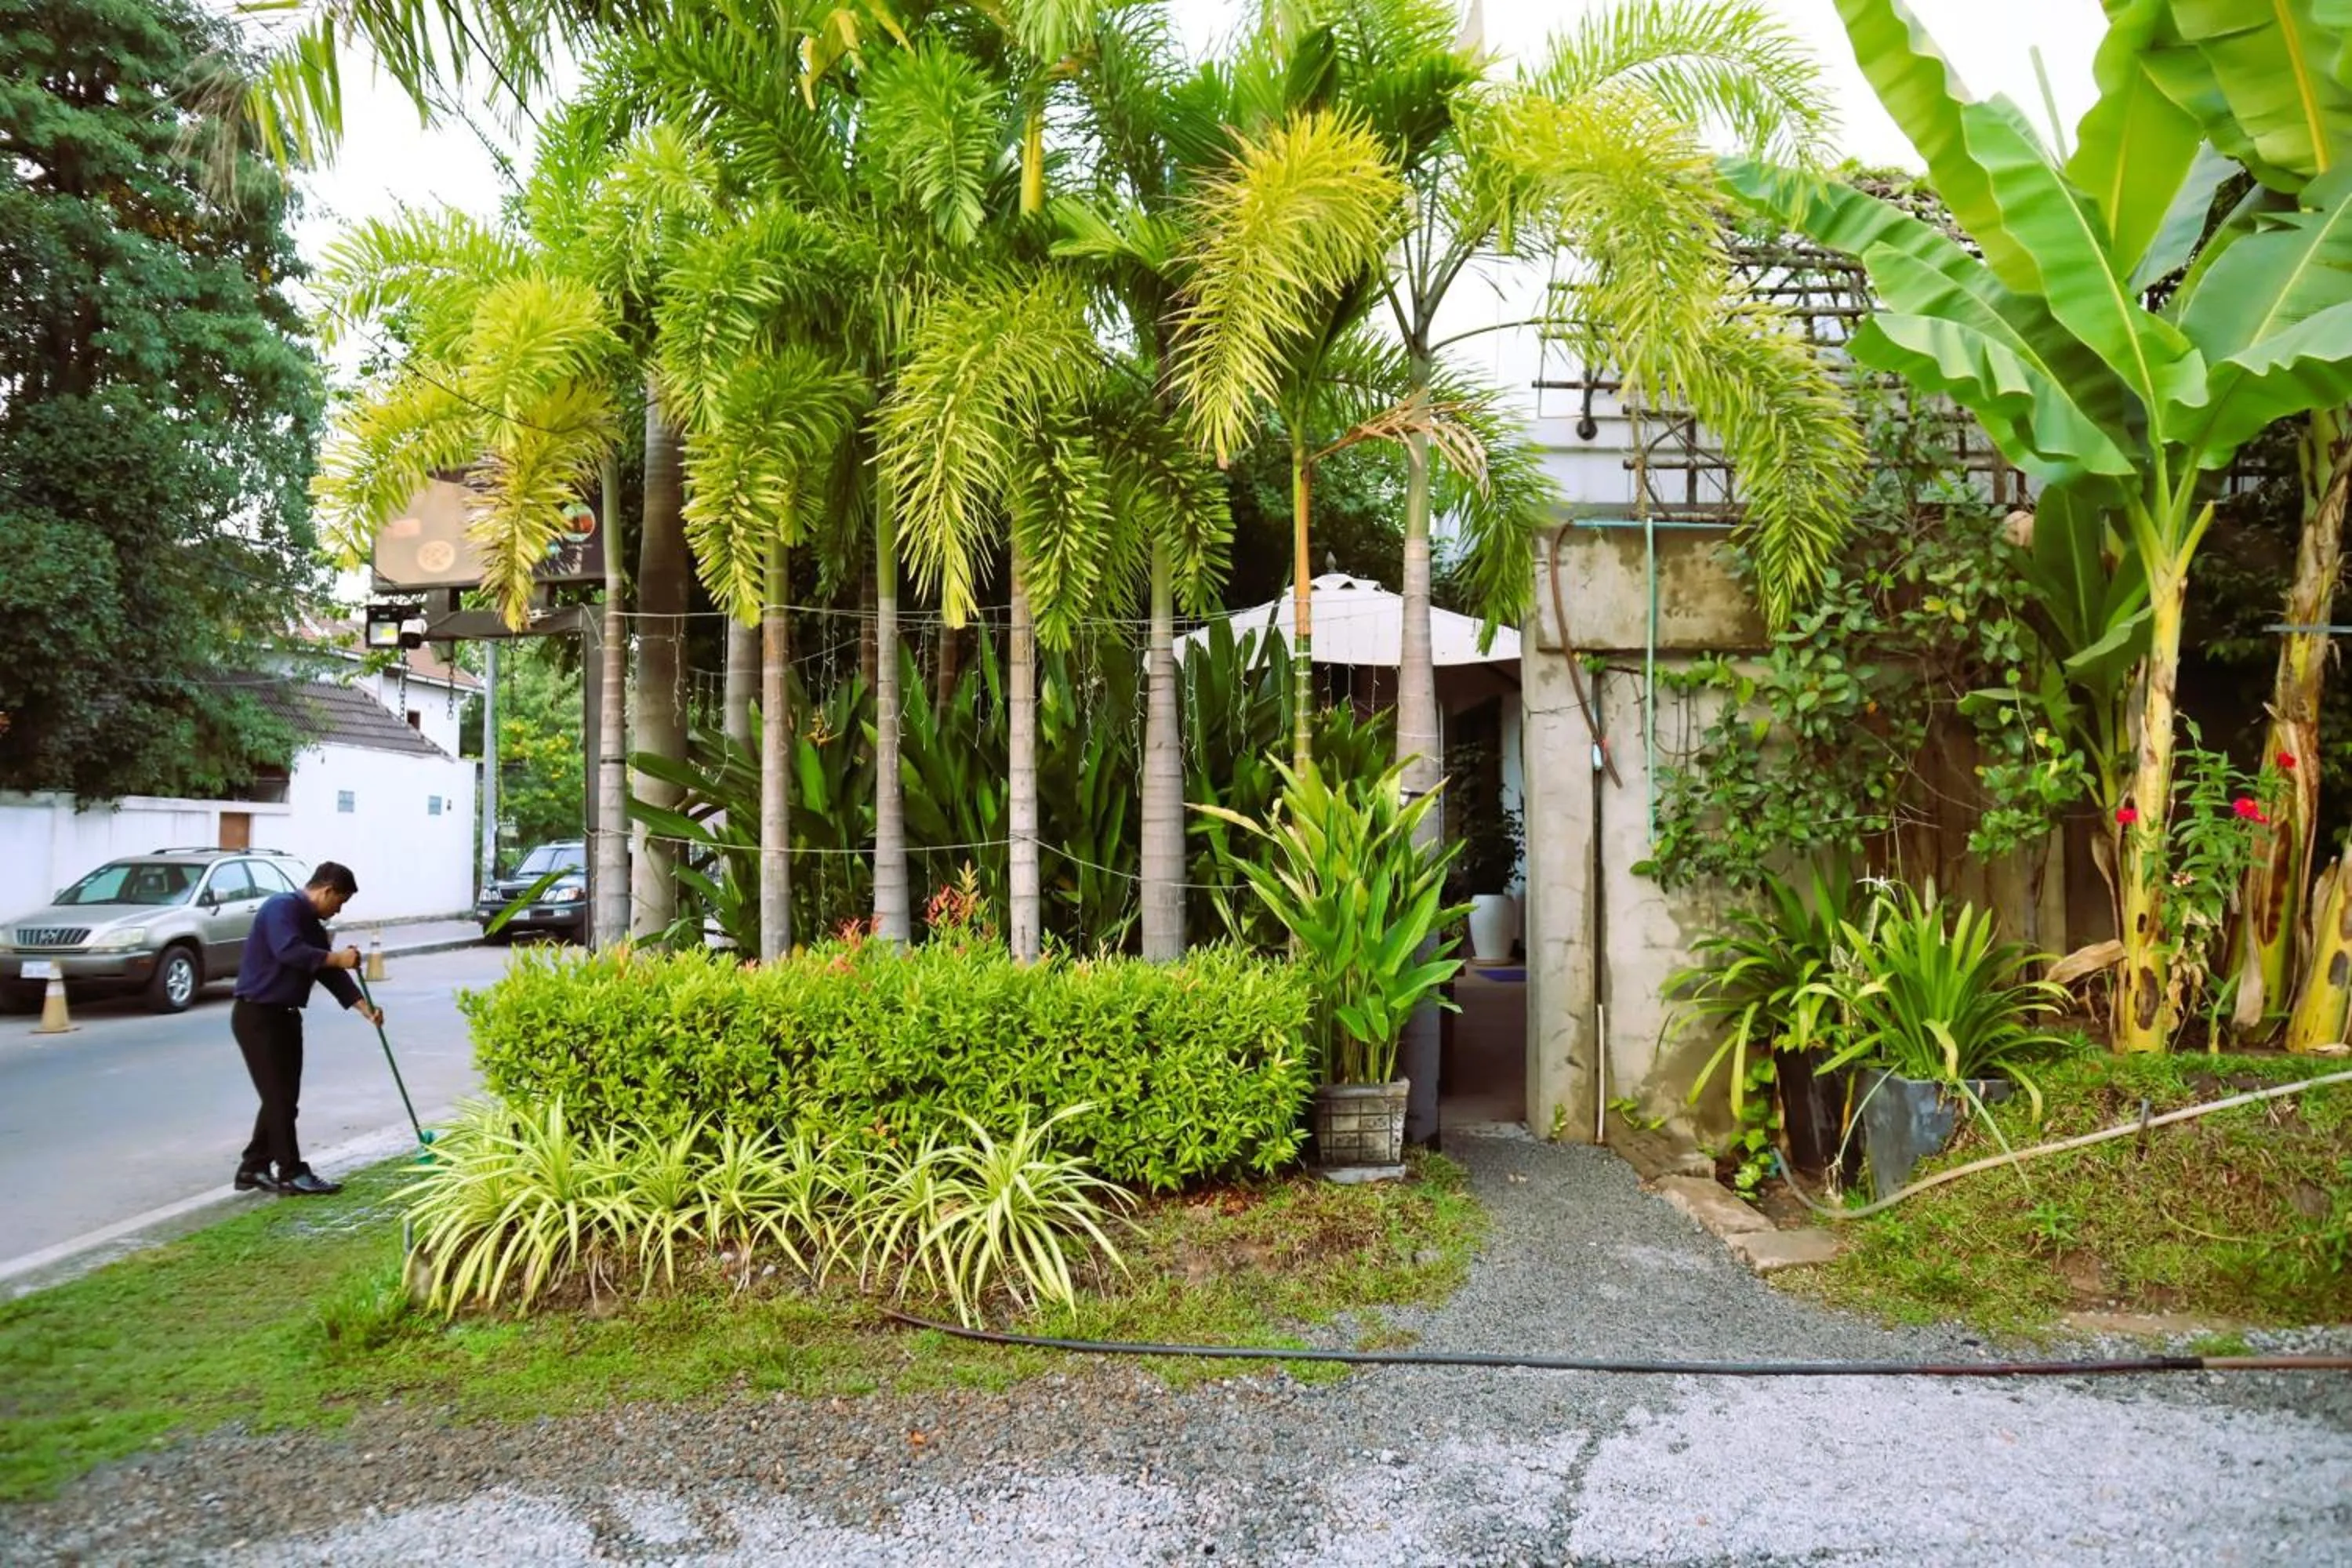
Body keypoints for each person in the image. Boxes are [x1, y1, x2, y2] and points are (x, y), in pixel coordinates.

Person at [229, 861, 384, 1196]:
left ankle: (253, 1167)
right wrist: (338, 958)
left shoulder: (312, 924)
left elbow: (327, 971)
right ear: (326, 890)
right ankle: (291, 1172)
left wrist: (365, 1009)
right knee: (279, 1099)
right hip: (258, 1016)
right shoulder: (280, 908)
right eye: (339, 902)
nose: (338, 909)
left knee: (283, 1099)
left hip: (286, 1016)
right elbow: (290, 952)